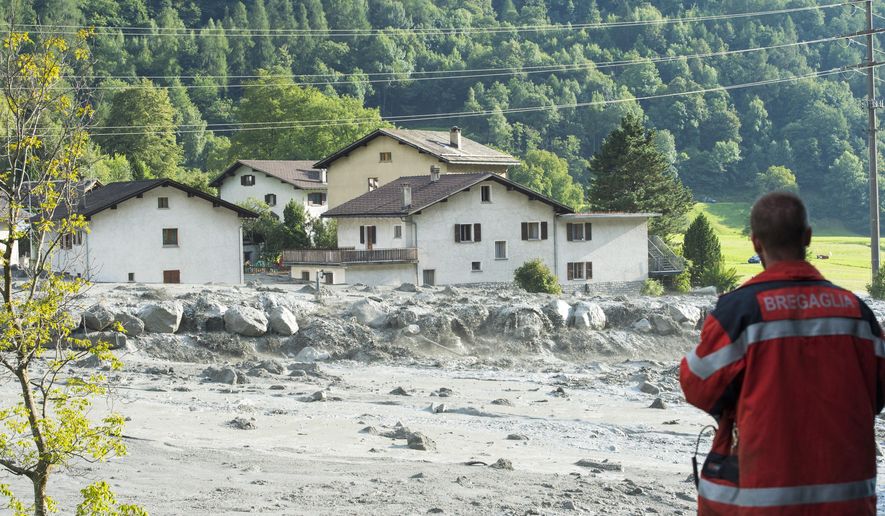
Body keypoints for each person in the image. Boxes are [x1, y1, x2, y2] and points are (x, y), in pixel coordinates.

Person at [680, 192, 884, 515]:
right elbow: (878, 392)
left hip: (763, 502)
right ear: (808, 237)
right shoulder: (858, 314)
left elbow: (696, 383)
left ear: (755, 243)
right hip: (849, 504)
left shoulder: (739, 312)